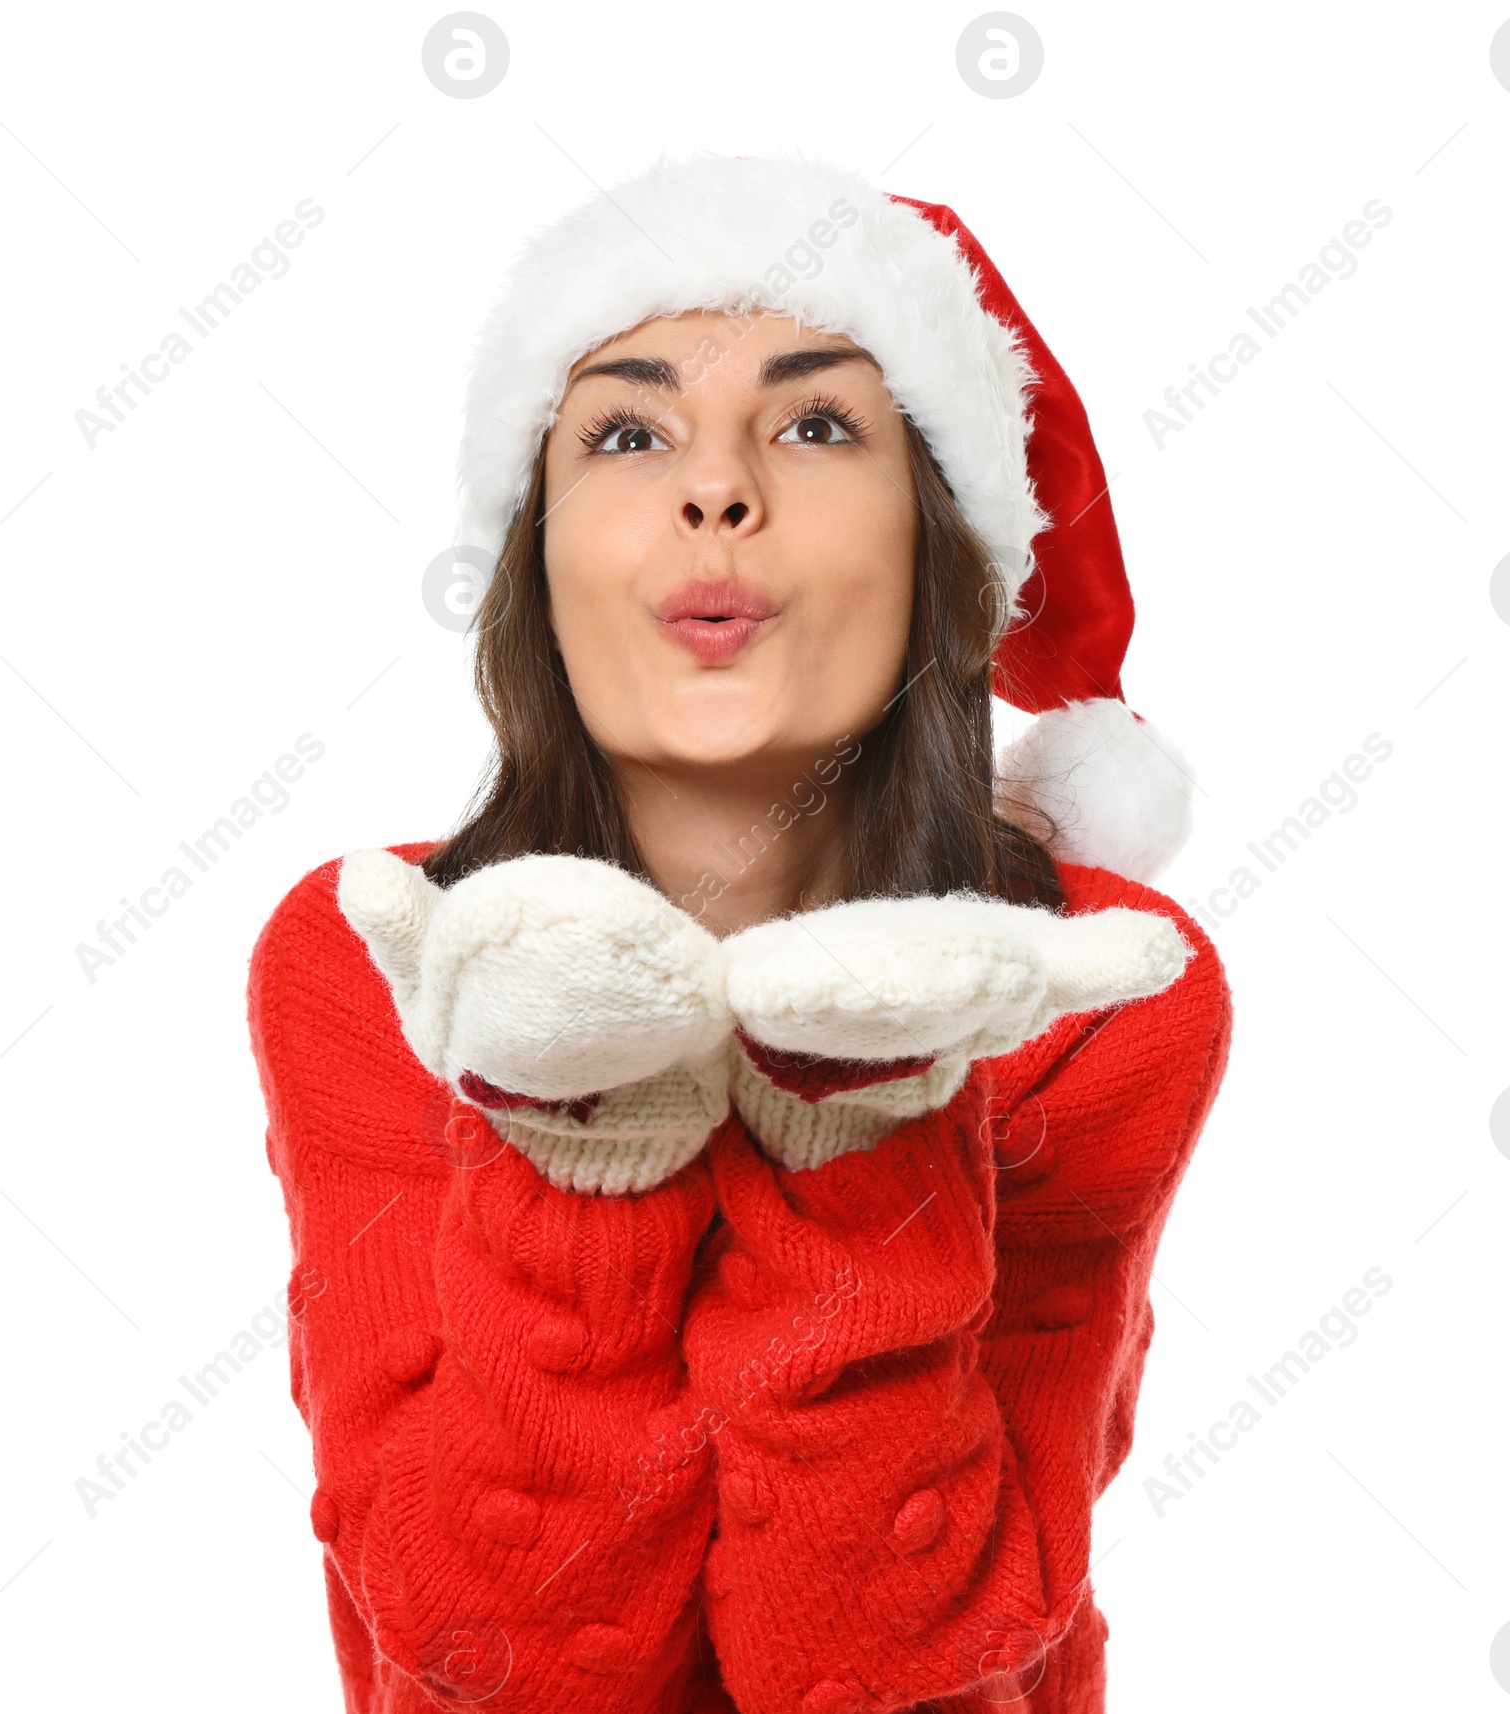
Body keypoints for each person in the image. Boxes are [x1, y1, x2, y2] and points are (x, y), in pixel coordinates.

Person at [246, 152, 1232, 1714]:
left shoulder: (1090, 994)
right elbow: (489, 1656)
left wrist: (858, 1117)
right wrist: (584, 1130)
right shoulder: (373, 959)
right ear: (540, 565)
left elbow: (888, 1656)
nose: (719, 490)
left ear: (937, 552)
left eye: (818, 422)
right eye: (628, 432)